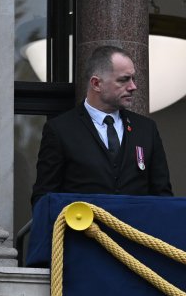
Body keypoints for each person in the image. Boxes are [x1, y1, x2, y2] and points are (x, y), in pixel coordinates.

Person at [31, 45, 173, 206]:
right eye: (123, 79)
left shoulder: (146, 129)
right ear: (96, 84)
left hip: (134, 229)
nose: (133, 87)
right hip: (82, 229)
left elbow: (163, 196)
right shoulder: (60, 130)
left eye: (133, 79)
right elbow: (44, 198)